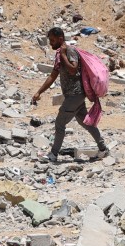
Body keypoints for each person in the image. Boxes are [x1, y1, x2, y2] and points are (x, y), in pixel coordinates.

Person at [31, 27, 109, 162]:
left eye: (52, 40)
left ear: (60, 39)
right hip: (73, 96)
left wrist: (63, 55)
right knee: (85, 122)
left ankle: (53, 155)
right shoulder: (59, 54)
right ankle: (103, 149)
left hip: (75, 94)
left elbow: (73, 69)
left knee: (60, 123)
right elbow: (53, 75)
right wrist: (39, 92)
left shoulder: (70, 51)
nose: (50, 43)